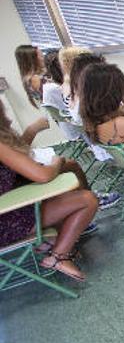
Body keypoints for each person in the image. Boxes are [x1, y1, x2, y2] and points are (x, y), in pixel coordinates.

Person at [0, 101, 99, 281]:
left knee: (66, 184)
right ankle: (58, 256)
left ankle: (54, 240)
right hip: (7, 222)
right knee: (87, 200)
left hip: (8, 211)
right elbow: (43, 176)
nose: (8, 118)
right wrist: (56, 161)